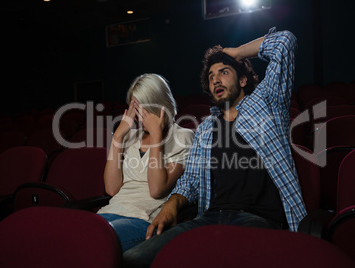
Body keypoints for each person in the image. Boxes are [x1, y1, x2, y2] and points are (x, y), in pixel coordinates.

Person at [123, 27, 307, 267]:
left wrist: (237, 53)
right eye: (211, 77)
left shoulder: (267, 105)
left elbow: (285, 43)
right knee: (133, 258)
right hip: (210, 219)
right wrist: (171, 204)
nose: (216, 79)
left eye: (224, 72)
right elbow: (190, 182)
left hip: (257, 219)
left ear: (242, 80)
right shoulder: (206, 129)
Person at [97, 73, 194, 252]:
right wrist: (118, 136)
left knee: (93, 242)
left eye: (144, 109)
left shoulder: (182, 137)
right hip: (109, 212)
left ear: (160, 105)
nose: (139, 117)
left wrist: (156, 136)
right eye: (135, 108)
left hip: (143, 219)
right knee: (69, 233)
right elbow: (111, 189)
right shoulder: (131, 137)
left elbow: (157, 189)